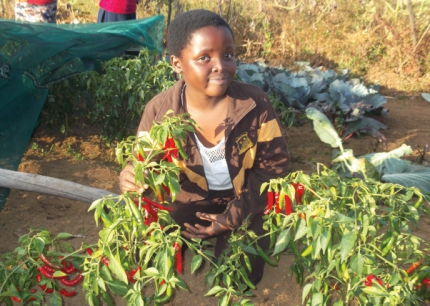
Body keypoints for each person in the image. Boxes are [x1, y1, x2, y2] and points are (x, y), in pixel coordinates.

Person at [119, 9, 289, 286]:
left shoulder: (254, 104)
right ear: (177, 63)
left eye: (228, 55)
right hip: (190, 200)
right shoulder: (161, 112)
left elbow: (274, 169)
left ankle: (229, 238)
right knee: (149, 250)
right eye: (204, 58)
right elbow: (144, 163)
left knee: (241, 273)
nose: (221, 65)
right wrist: (130, 174)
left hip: (245, 196)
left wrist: (232, 216)